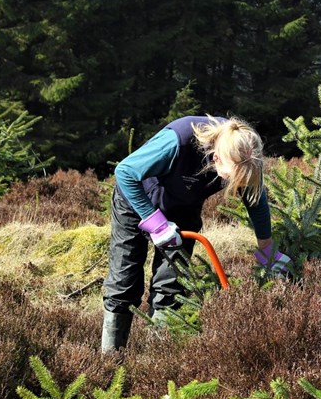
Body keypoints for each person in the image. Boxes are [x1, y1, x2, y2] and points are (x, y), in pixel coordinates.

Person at [101, 115, 289, 354]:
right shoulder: (178, 142)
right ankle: (109, 360)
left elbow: (255, 200)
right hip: (135, 201)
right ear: (216, 157)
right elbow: (125, 172)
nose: (234, 183)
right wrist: (155, 222)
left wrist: (266, 249)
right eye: (231, 177)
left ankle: (154, 360)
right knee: (124, 279)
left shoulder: (247, 153)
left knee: (171, 285)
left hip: (182, 211)